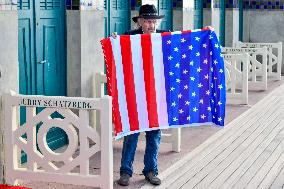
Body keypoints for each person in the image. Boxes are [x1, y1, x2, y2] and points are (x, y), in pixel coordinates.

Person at [111, 4, 167, 186]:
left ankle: (151, 170)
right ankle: (125, 172)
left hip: (156, 94)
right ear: (140, 22)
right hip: (134, 95)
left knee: (154, 135)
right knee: (131, 135)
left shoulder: (165, 36)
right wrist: (114, 41)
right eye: (147, 21)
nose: (151, 25)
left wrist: (207, 31)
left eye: (154, 21)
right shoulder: (128, 37)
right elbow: (116, 55)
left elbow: (187, 42)